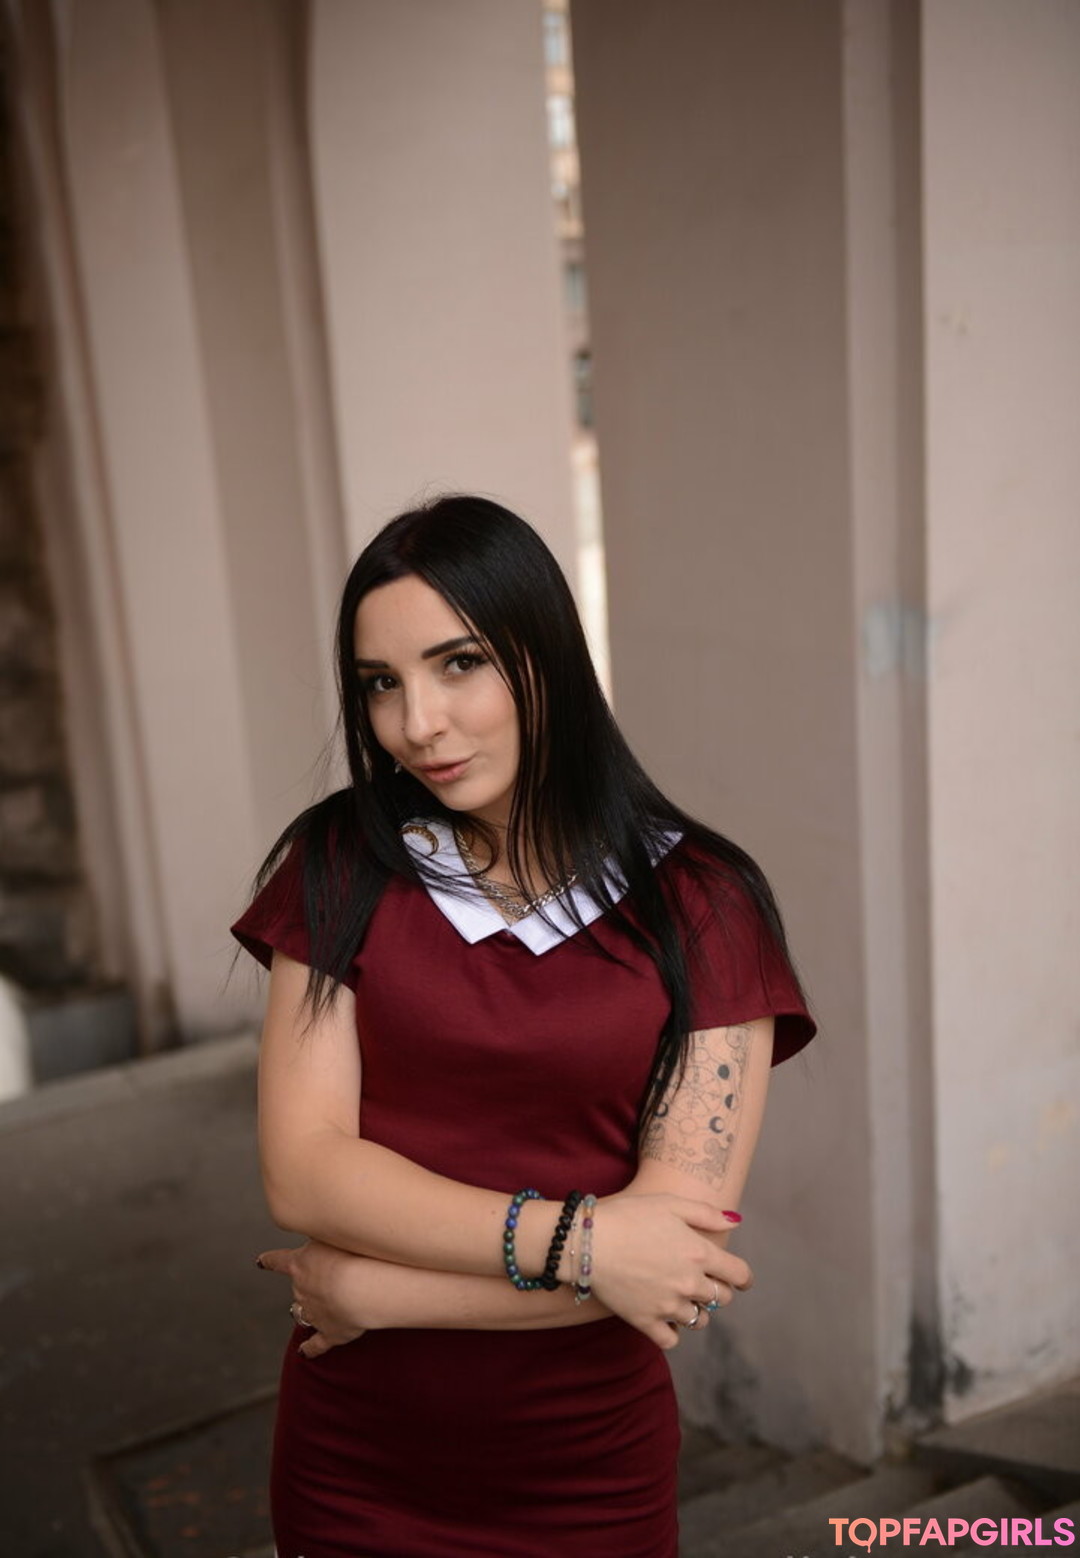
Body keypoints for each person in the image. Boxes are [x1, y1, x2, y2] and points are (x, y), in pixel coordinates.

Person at [229, 493, 817, 1558]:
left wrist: (374, 1289)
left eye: (459, 664)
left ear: (547, 654)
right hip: (354, 1464)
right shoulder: (339, 864)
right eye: (381, 683)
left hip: (588, 1478)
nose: (417, 723)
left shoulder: (703, 905)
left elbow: (672, 1263)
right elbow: (304, 1174)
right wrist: (588, 1246)